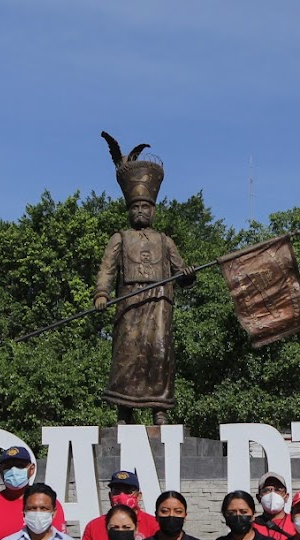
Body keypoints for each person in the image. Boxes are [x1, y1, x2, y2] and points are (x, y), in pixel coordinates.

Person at [93, 133, 197, 425]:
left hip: (159, 304)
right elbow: (107, 269)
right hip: (129, 303)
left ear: (153, 210)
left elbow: (181, 271)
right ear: (129, 211)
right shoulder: (119, 238)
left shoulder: (165, 240)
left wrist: (187, 275)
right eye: (135, 207)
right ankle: (124, 411)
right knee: (127, 354)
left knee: (159, 354)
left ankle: (159, 409)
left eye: (145, 207)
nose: (140, 211)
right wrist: (102, 293)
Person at [79, 469, 160, 540]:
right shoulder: (93, 527)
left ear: (138, 496)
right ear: (110, 496)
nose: (122, 496)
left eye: (128, 491)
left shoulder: (154, 525)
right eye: (117, 491)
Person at [254, 470, 297, 538]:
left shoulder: (296, 524)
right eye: (267, 490)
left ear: (286, 497)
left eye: (278, 490)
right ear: (258, 498)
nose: (272, 494)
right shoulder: (252, 526)